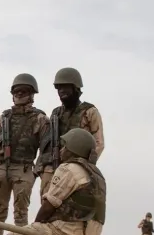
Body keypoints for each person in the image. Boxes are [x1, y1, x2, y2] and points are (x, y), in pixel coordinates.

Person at [0, 73, 49, 235]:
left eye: (24, 91)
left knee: (21, 216)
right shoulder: (5, 117)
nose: (19, 94)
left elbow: (45, 149)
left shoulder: (40, 118)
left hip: (24, 168)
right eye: (16, 91)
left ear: (32, 94)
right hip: (2, 167)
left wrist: (36, 171)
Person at [38, 67, 104, 196]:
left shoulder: (90, 112)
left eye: (66, 87)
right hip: (53, 167)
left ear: (76, 88)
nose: (62, 91)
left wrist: (85, 166)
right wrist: (42, 167)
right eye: (59, 88)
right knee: (47, 201)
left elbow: (98, 143)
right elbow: (47, 143)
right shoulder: (56, 113)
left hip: (76, 167)